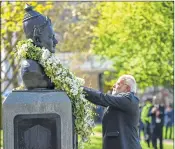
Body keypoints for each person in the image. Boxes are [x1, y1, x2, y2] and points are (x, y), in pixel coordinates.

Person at [83, 74, 142, 149]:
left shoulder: (129, 99)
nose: (113, 86)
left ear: (127, 88)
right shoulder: (122, 101)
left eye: (118, 84)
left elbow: (103, 98)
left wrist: (81, 89)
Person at [21, 4, 58, 89]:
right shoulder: (30, 68)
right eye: (50, 37)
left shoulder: (44, 65)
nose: (56, 41)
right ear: (37, 39)